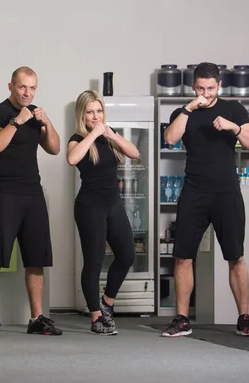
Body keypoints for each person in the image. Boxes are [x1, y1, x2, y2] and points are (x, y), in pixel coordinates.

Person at [161, 62, 249, 338]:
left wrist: (233, 128)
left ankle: (244, 318)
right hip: (194, 191)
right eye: (201, 88)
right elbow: (170, 138)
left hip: (227, 192)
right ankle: (182, 319)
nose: (205, 93)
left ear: (219, 86)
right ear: (193, 87)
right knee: (182, 256)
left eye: (211, 88)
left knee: (235, 256)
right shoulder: (184, 111)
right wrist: (189, 108)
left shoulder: (234, 109)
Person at [0, 66, 61, 338]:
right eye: (22, 87)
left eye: (32, 87)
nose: (27, 92)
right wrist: (17, 121)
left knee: (35, 259)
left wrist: (46, 122)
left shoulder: (36, 113)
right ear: (11, 86)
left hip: (32, 192)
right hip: (5, 192)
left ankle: (36, 318)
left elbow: (54, 148)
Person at [67, 90, 139, 335]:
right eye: (90, 112)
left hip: (113, 205)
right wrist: (94, 134)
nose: (95, 116)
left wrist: (111, 134)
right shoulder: (77, 138)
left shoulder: (109, 136)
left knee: (127, 255)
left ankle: (107, 303)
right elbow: (72, 158)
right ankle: (96, 317)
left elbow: (134, 153)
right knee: (94, 263)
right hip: (89, 207)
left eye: (99, 111)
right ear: (82, 115)